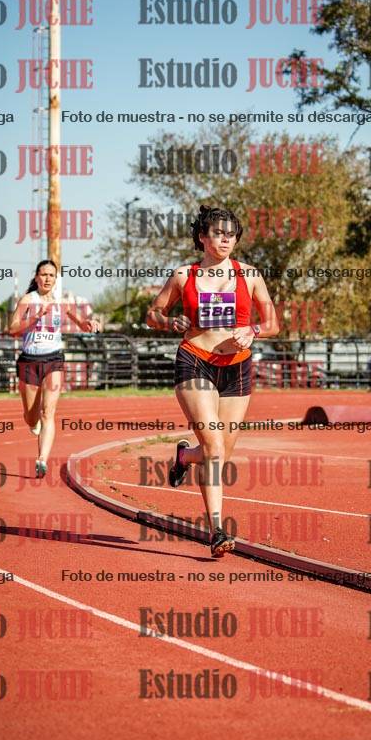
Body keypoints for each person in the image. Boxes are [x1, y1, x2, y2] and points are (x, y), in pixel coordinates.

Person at [146, 205, 279, 556]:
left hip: (237, 367)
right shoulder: (183, 276)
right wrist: (167, 322)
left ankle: (184, 457)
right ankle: (217, 530)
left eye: (231, 234)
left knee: (220, 452)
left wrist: (252, 331)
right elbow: (152, 314)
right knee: (214, 448)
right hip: (195, 361)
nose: (225, 239)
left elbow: (273, 324)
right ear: (202, 237)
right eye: (218, 233)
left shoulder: (249, 275)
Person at [9, 259, 100, 477]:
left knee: (48, 412)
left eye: (51, 275)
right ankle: (33, 424)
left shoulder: (62, 303)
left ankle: (42, 459)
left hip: (54, 359)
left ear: (55, 279)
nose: (47, 279)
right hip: (30, 360)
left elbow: (82, 324)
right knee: (32, 417)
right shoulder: (28, 300)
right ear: (36, 277)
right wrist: (35, 317)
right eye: (44, 274)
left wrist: (91, 324)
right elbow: (12, 328)